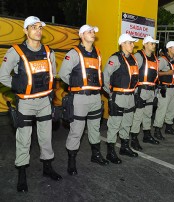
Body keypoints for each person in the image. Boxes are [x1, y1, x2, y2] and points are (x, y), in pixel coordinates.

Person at [0, 16, 62, 192]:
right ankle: (21, 174)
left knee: (46, 137)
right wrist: (16, 85)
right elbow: (2, 75)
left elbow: (53, 75)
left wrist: (53, 100)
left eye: (40, 27)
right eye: (33, 27)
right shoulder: (16, 52)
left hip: (44, 101)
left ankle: (47, 167)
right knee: (24, 139)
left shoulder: (49, 51)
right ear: (25, 31)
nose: (38, 30)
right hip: (25, 103)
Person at [59, 25, 109, 175]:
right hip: (80, 98)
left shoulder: (97, 53)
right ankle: (72, 161)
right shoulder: (74, 53)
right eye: (89, 31)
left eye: (94, 32)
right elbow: (63, 74)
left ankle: (96, 155)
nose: (93, 33)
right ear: (81, 35)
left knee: (94, 128)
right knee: (76, 131)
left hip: (95, 98)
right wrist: (78, 85)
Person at [103, 33, 139, 164]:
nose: (133, 45)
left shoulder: (133, 59)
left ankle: (124, 147)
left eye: (132, 43)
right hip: (119, 96)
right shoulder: (115, 58)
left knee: (127, 123)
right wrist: (111, 94)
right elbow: (105, 77)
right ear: (122, 44)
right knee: (114, 125)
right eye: (130, 42)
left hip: (130, 96)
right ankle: (110, 152)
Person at [129, 36, 160, 151]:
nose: (154, 45)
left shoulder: (155, 58)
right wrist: (134, 90)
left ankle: (147, 135)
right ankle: (134, 138)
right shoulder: (138, 56)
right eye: (152, 43)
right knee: (138, 115)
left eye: (154, 44)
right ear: (145, 44)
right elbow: (131, 72)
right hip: (141, 90)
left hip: (151, 90)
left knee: (148, 114)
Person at [152, 41, 174, 139]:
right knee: (162, 110)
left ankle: (168, 127)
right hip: (165, 89)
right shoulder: (162, 60)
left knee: (172, 110)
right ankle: (157, 130)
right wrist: (167, 73)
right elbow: (155, 73)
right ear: (169, 48)